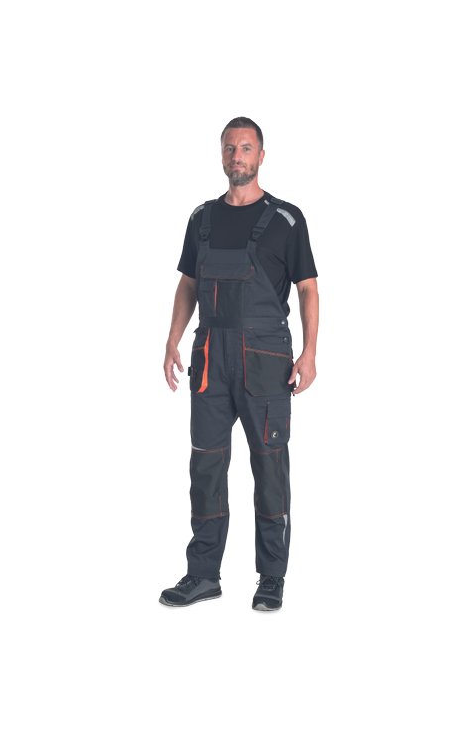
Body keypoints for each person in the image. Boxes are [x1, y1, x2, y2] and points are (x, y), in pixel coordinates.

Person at [160, 117, 319, 612]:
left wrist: (310, 352)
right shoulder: (202, 219)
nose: (237, 156)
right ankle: (203, 574)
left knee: (269, 467)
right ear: (221, 154)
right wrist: (172, 340)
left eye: (246, 148)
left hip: (266, 359)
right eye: (230, 148)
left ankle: (271, 577)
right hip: (210, 356)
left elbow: (308, 289)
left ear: (261, 156)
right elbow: (189, 284)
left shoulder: (287, 219)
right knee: (205, 466)